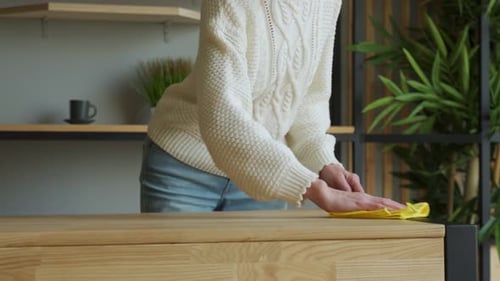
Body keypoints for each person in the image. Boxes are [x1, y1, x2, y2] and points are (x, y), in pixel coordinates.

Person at [140, 0, 405, 213]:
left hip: (264, 176)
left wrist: (325, 164)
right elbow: (223, 117)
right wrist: (313, 188)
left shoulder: (328, 3)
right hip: (185, 168)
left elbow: (307, 104)